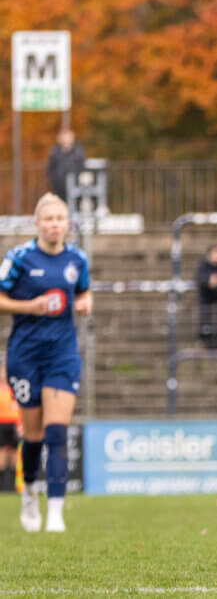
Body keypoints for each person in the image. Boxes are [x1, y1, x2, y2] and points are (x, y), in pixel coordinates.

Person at [0, 193, 92, 532]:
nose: (55, 224)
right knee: (34, 435)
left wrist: (85, 304)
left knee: (57, 431)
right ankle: (29, 496)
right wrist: (30, 307)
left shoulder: (77, 259)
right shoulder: (19, 257)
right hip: (25, 355)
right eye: (48, 219)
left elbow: (84, 292)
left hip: (62, 353)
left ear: (67, 223)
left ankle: (55, 511)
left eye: (60, 219)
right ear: (38, 223)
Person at [195, 244, 217, 349]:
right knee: (205, 321)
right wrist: (209, 280)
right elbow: (199, 277)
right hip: (206, 299)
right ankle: (204, 342)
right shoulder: (203, 265)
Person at [45, 128, 85, 205]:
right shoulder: (54, 151)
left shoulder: (78, 151)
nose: (66, 140)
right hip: (58, 187)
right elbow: (50, 168)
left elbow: (81, 166)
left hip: (75, 186)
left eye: (68, 137)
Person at [0, 375, 20, 492]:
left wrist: (19, 425)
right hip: (1, 423)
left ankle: (13, 487)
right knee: (1, 453)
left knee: (13, 455)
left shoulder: (15, 390)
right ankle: (2, 487)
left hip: (13, 424)